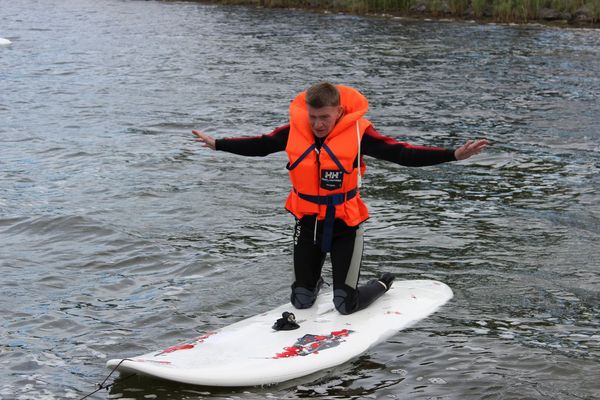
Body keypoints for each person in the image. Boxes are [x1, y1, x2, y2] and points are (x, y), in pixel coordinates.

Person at [192, 82, 488, 315]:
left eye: (324, 117)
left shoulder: (359, 135)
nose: (318, 124)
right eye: (313, 117)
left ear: (339, 113)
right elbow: (261, 145)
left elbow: (402, 153)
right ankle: (313, 283)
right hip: (308, 223)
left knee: (345, 304)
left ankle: (383, 282)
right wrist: (218, 144)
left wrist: (453, 155)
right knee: (301, 300)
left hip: (346, 225)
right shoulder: (296, 130)